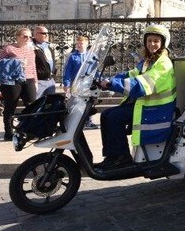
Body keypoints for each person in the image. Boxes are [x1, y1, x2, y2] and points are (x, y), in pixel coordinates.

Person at [97, 25, 176, 170]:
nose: (152, 44)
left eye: (156, 41)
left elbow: (140, 85)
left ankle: (123, 157)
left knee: (115, 117)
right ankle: (112, 156)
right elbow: (132, 74)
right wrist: (107, 78)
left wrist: (112, 84)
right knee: (106, 115)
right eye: (149, 40)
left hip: (156, 110)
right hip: (144, 105)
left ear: (163, 43)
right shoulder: (148, 61)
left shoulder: (163, 63)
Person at [0, 28, 37, 141]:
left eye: (29, 37)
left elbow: (33, 66)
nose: (28, 39)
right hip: (12, 81)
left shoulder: (31, 49)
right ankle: (8, 132)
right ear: (17, 37)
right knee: (11, 105)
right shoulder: (9, 48)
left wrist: (35, 81)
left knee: (32, 104)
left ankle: (29, 129)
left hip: (28, 79)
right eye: (25, 36)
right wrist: (16, 62)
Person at [62, 34, 98, 129]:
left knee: (87, 102)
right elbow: (68, 71)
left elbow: (95, 69)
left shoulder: (92, 56)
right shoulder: (73, 56)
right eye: (77, 44)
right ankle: (70, 121)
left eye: (81, 43)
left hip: (87, 83)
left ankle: (88, 121)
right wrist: (66, 83)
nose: (79, 45)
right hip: (75, 83)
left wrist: (97, 80)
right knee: (73, 103)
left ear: (87, 44)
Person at [32, 26, 56, 100]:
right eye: (43, 33)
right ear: (35, 34)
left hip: (50, 80)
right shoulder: (31, 47)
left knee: (49, 104)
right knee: (37, 104)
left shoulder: (49, 46)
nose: (46, 35)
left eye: (47, 33)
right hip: (39, 81)